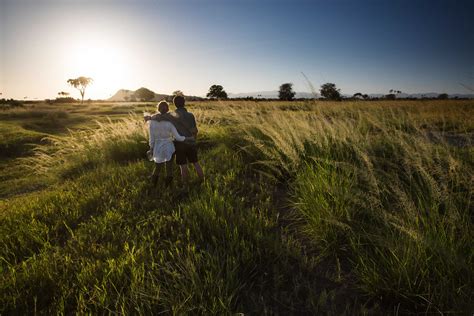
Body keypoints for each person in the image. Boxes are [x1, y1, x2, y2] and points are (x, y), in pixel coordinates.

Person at [149, 95, 204, 186]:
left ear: (174, 104)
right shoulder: (191, 115)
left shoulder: (172, 115)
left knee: (183, 166)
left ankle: (185, 185)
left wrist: (149, 117)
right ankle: (203, 181)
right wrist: (193, 140)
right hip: (191, 142)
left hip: (180, 144)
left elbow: (160, 117)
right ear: (184, 103)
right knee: (196, 163)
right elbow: (195, 130)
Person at [147, 101, 191, 187]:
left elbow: (151, 137)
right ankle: (168, 186)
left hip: (157, 146)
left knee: (158, 167)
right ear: (167, 109)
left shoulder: (152, 122)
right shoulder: (170, 121)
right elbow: (178, 137)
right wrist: (187, 138)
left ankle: (153, 185)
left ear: (158, 109)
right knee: (169, 167)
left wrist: (151, 147)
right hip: (169, 146)